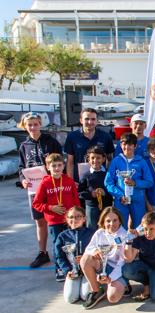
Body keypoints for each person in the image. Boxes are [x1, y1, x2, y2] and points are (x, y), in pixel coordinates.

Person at [17, 112, 63, 268]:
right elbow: (21, 167)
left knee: (58, 220)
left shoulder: (50, 142)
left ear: (40, 124)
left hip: (53, 188)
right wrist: (23, 180)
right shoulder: (24, 146)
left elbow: (60, 161)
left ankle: (62, 251)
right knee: (40, 221)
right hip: (35, 190)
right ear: (24, 126)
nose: (33, 127)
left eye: (35, 124)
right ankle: (42, 252)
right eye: (29, 125)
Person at [33, 153, 81, 281]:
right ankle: (59, 268)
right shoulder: (45, 183)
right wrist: (51, 208)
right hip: (54, 221)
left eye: (59, 165)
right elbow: (37, 203)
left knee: (72, 244)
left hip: (70, 221)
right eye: (53, 166)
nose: (57, 168)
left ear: (64, 166)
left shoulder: (68, 181)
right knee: (58, 245)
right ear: (48, 167)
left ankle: (73, 266)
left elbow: (76, 201)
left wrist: (79, 216)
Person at [79, 207, 128, 309]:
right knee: (85, 259)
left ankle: (123, 285)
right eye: (108, 221)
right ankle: (96, 290)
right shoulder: (99, 233)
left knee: (113, 298)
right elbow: (89, 248)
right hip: (102, 266)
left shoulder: (124, 235)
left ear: (119, 221)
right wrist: (94, 251)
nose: (112, 224)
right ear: (103, 222)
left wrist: (111, 278)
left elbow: (122, 262)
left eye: (115, 220)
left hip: (118, 270)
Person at [105, 133, 154, 229]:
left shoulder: (141, 161)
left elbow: (149, 182)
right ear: (120, 145)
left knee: (139, 228)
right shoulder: (116, 161)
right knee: (120, 228)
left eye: (130, 144)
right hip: (121, 201)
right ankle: (121, 244)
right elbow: (108, 182)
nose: (127, 147)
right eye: (124, 144)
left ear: (135, 146)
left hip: (138, 200)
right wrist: (119, 195)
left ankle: (138, 244)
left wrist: (135, 183)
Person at [64, 108, 114, 181]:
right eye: (86, 119)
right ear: (81, 120)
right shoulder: (72, 137)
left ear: (97, 121)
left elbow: (109, 160)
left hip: (100, 181)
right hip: (79, 181)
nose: (90, 122)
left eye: (93, 119)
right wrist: (70, 182)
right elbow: (70, 162)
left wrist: (108, 179)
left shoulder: (106, 137)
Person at [56, 207, 94, 303]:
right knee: (70, 298)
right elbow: (59, 257)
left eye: (78, 217)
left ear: (84, 218)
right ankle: (76, 278)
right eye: (71, 217)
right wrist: (67, 270)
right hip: (73, 271)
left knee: (85, 295)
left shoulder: (92, 233)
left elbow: (97, 252)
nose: (74, 220)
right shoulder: (62, 236)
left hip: (89, 270)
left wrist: (86, 258)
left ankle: (99, 286)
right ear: (67, 219)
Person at [78, 146, 113, 230]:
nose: (95, 160)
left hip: (106, 206)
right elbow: (80, 193)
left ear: (103, 159)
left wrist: (105, 193)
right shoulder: (85, 175)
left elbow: (113, 189)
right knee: (91, 229)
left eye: (98, 158)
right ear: (88, 159)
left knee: (106, 228)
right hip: (91, 207)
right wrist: (91, 194)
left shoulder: (108, 174)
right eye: (92, 158)